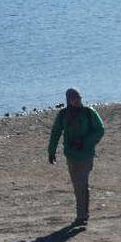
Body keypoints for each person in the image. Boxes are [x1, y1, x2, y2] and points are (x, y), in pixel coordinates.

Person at [47, 87, 105, 226]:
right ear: (68, 100)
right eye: (74, 98)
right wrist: (51, 151)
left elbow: (100, 130)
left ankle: (81, 216)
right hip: (71, 155)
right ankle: (83, 214)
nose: (77, 100)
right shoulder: (63, 114)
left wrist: (85, 142)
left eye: (79, 98)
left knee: (81, 183)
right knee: (78, 185)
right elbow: (56, 132)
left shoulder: (89, 112)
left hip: (86, 154)